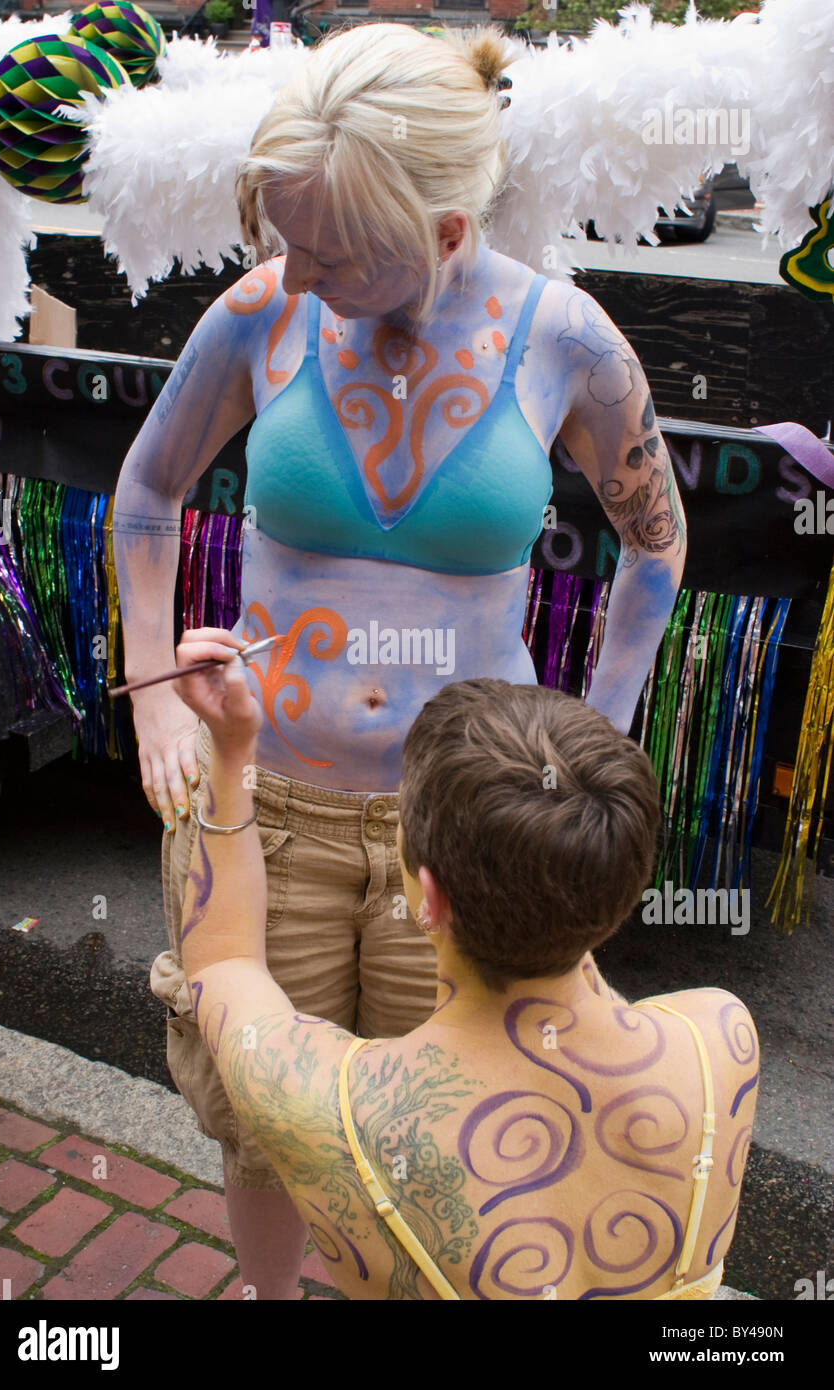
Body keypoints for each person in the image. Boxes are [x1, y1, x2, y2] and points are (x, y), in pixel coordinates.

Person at [112, 21, 687, 1298]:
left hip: (465, 826)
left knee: (450, 1132)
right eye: (284, 237)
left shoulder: (568, 342)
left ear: (437, 232)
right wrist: (154, 689)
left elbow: (654, 548)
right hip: (264, 812)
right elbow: (147, 489)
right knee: (261, 1120)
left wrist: (592, 745)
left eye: (331, 249)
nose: (296, 271)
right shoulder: (261, 310)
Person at [168, 626, 757, 1301]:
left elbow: (223, 959)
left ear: (432, 896)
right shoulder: (719, 1040)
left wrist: (231, 751)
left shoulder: (340, 1108)